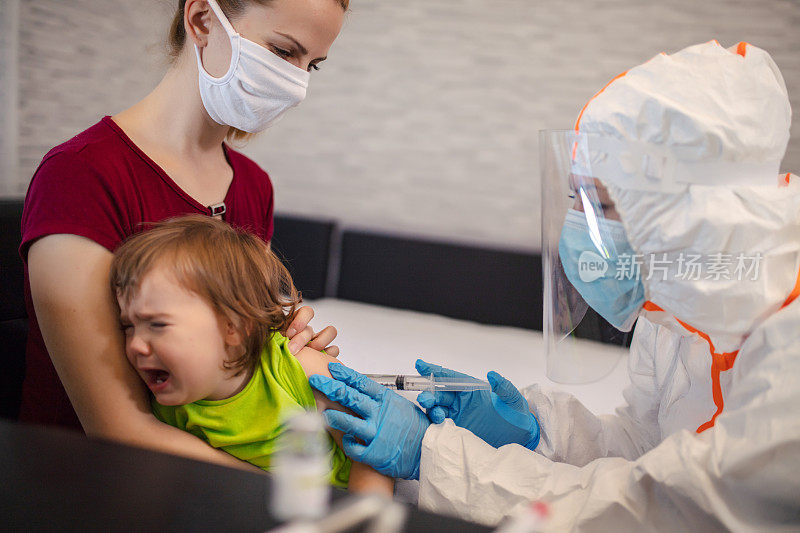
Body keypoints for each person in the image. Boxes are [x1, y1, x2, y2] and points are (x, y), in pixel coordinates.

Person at [309, 41, 800, 530]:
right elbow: (645, 448)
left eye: (600, 207)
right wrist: (534, 434)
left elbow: (664, 507)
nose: (578, 230)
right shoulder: (678, 309)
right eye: (576, 199)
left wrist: (433, 457)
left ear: (688, 212)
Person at [21, 0, 346, 471]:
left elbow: (232, 369)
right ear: (201, 20)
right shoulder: (81, 175)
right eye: (282, 51)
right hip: (86, 478)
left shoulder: (253, 186)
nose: (297, 85)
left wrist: (278, 349)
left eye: (311, 64)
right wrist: (298, 494)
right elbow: (116, 428)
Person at [109, 215, 392, 494]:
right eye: (128, 327)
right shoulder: (167, 402)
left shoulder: (302, 371)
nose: (135, 345)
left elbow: (376, 452)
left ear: (234, 327)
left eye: (157, 325)